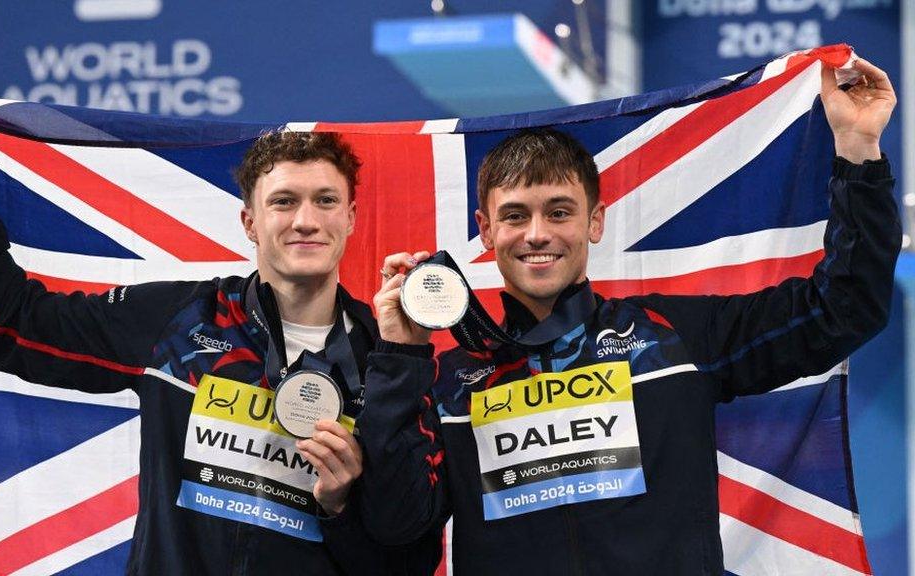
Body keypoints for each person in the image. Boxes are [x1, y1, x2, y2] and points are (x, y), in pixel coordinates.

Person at [358, 58, 899, 575]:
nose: (538, 234)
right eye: (515, 216)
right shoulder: (452, 382)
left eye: (560, 212)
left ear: (595, 222)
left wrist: (858, 151)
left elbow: (840, 311)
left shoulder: (672, 340)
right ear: (486, 230)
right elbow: (398, 525)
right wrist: (400, 356)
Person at [0, 93, 439, 575]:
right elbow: (10, 323)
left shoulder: (387, 363)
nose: (305, 220)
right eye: (283, 201)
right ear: (249, 221)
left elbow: (409, 559)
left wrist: (339, 504)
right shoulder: (183, 319)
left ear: (350, 218)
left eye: (325, 201)